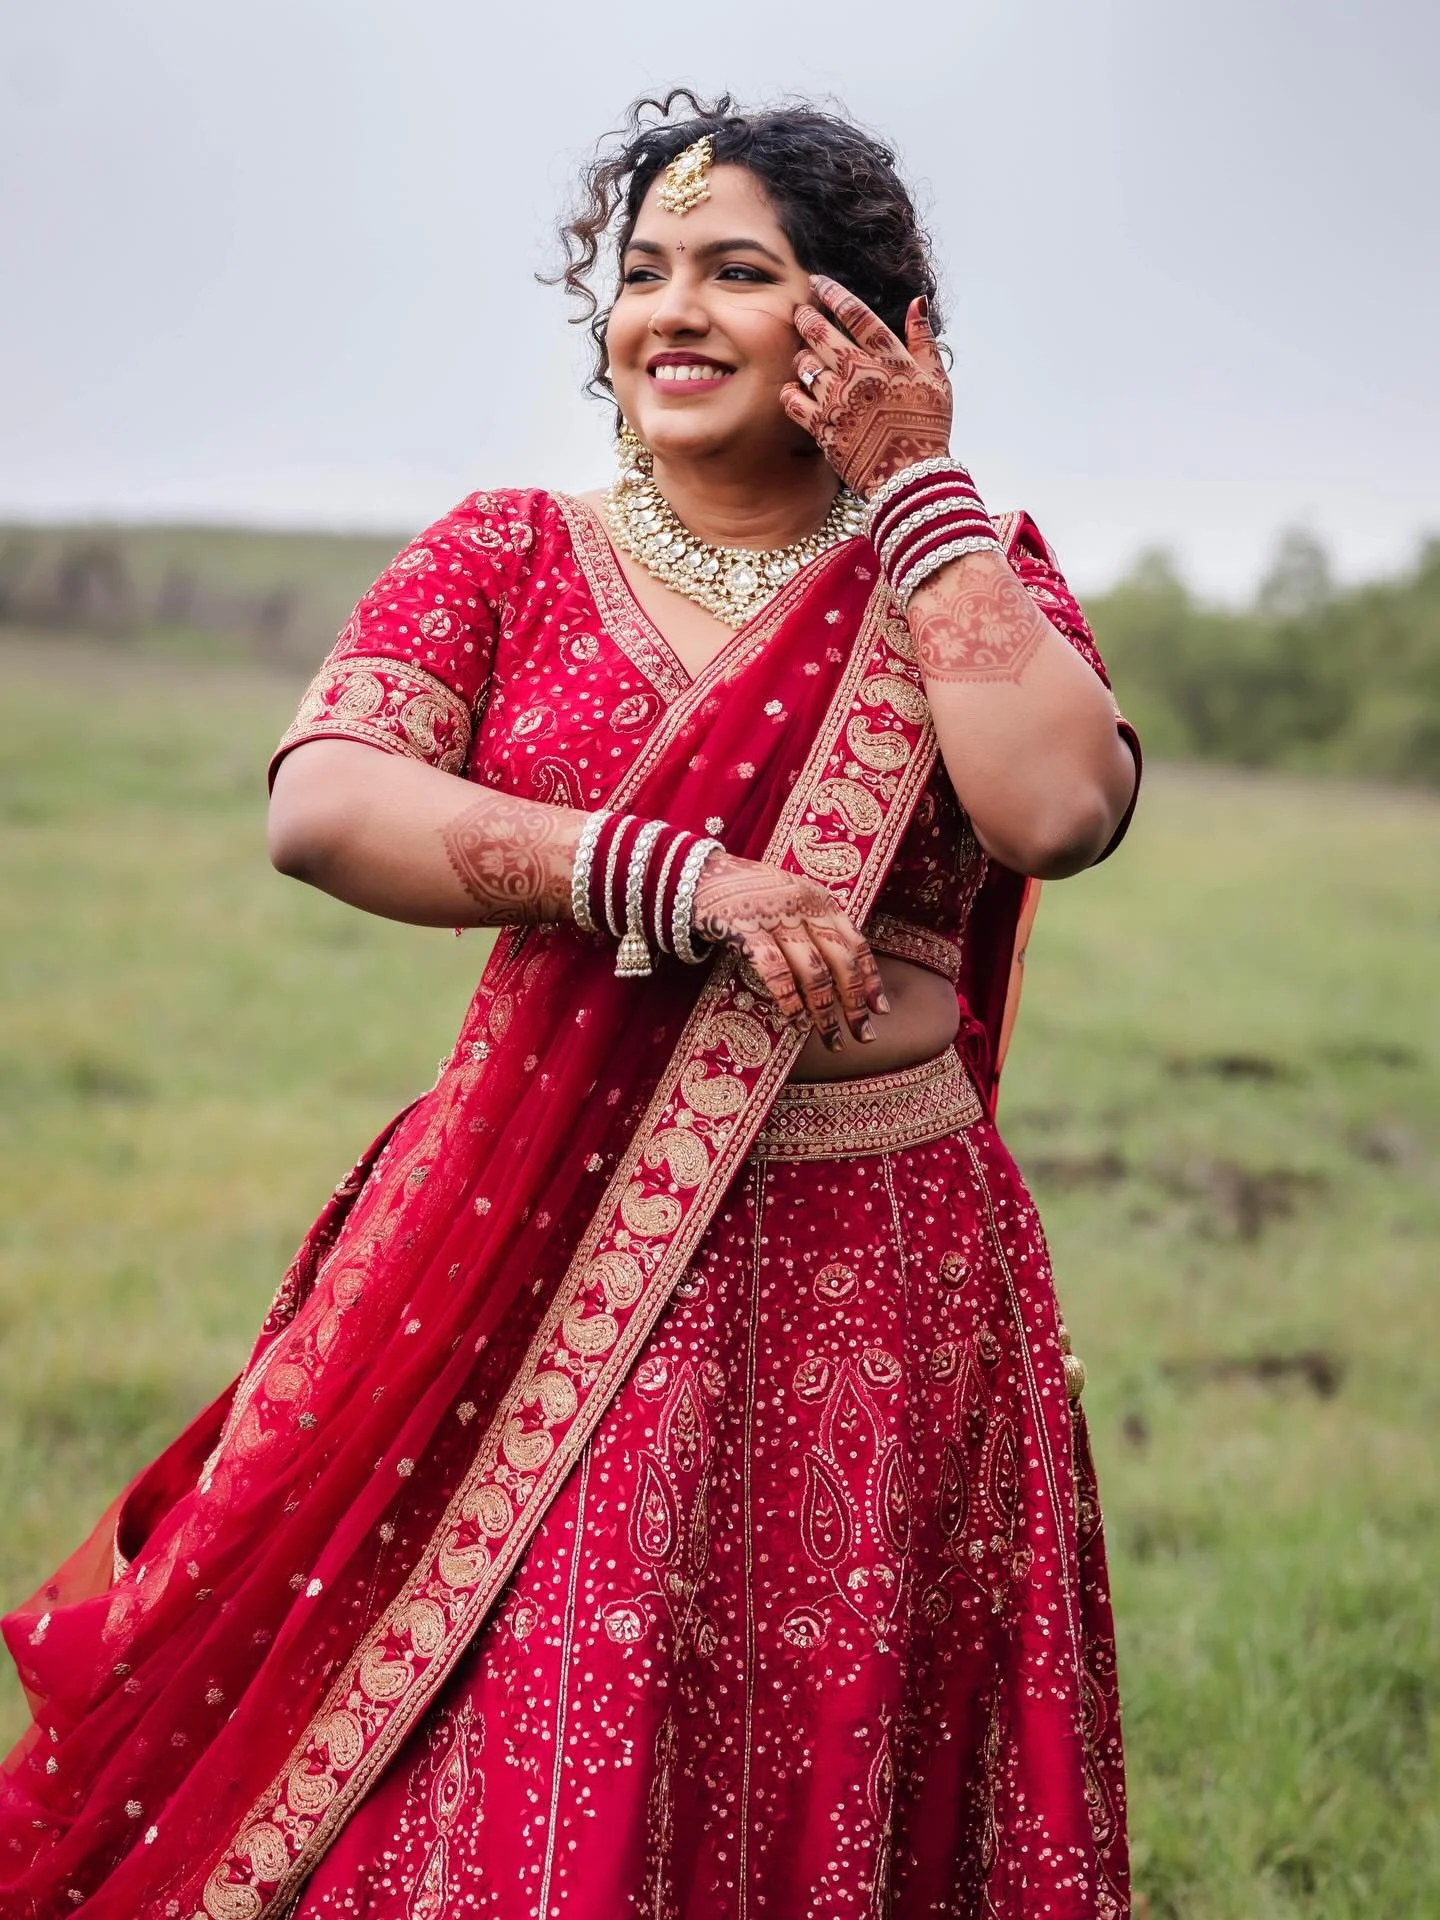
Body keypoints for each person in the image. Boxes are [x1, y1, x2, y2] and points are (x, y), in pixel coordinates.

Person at [0, 93, 1141, 1920]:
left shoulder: (953, 575)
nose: (669, 314)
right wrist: (659, 874)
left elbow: (1058, 809)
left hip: (886, 1265)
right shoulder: (512, 553)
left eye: (737, 274)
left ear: (864, 327)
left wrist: (924, 497)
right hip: (539, 1240)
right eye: (641, 277)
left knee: (839, 1731)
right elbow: (325, 800)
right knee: (545, 1723)